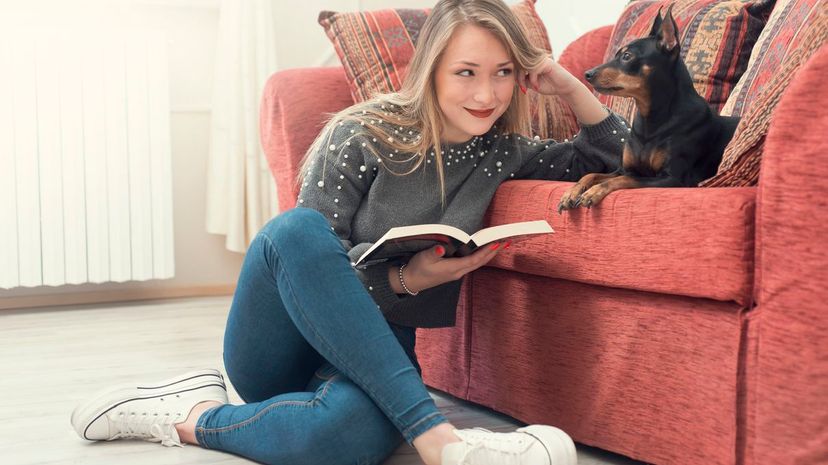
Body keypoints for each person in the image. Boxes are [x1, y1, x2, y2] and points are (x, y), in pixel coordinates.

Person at [70, 0, 628, 464]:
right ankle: (442, 443)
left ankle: (191, 416)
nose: (486, 94)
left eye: (503, 73)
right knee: (298, 227)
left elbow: (618, 156)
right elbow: (306, 258)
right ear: (430, 69)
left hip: (377, 357)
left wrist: (570, 87)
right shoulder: (362, 132)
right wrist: (406, 280)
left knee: (349, 439)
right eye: (467, 72)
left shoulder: (503, 152)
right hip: (281, 344)